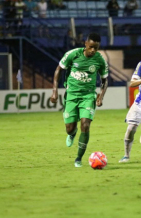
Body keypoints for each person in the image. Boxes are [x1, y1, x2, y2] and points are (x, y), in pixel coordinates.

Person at [50, 33, 109, 168]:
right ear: (85, 44)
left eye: (96, 48)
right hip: (71, 95)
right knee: (69, 128)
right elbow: (58, 69)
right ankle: (72, 133)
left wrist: (101, 95)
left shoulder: (100, 60)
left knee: (86, 125)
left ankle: (78, 158)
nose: (93, 50)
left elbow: (105, 80)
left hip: (88, 96)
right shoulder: (73, 54)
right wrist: (54, 91)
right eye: (91, 47)